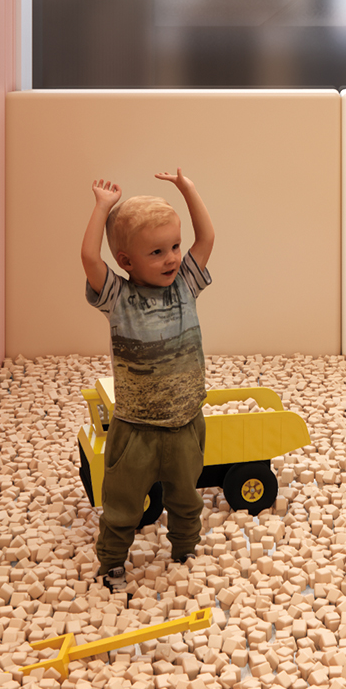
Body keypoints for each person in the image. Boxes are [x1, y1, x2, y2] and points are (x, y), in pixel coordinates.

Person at [80, 170, 216, 590]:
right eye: (157, 252)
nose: (172, 258)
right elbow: (89, 259)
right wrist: (102, 207)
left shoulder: (185, 286)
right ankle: (112, 563)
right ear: (126, 262)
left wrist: (188, 190)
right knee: (122, 503)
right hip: (136, 428)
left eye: (174, 246)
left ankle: (185, 549)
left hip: (185, 422)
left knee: (186, 497)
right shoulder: (118, 297)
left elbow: (207, 238)